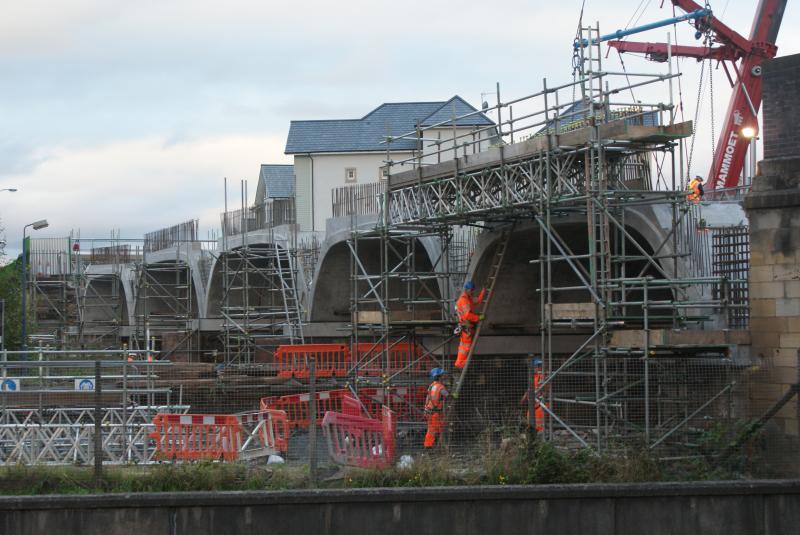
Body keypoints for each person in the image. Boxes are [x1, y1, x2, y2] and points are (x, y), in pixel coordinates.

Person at [454, 280, 486, 369]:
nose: (472, 292)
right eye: (472, 290)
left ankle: (460, 364)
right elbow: (467, 315)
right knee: (465, 348)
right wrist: (478, 318)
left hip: (465, 327)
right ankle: (460, 364)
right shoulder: (464, 300)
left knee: (464, 347)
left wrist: (483, 292)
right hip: (466, 327)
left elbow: (477, 301)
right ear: (468, 290)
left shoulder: (468, 298)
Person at [424, 367, 449, 448]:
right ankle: (431, 447)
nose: (444, 377)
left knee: (433, 429)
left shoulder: (431, 386)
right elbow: (448, 395)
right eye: (442, 375)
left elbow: (427, 398)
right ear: (439, 376)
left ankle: (432, 446)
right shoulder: (440, 387)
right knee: (435, 430)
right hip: (435, 413)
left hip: (429, 411)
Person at [521, 358, 546, 433]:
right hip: (532, 405)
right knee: (530, 422)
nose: (538, 368)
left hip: (540, 404)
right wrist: (524, 398)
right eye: (537, 366)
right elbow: (529, 389)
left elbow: (543, 389)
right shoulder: (533, 377)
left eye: (539, 366)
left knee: (538, 425)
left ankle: (540, 438)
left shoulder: (542, 376)